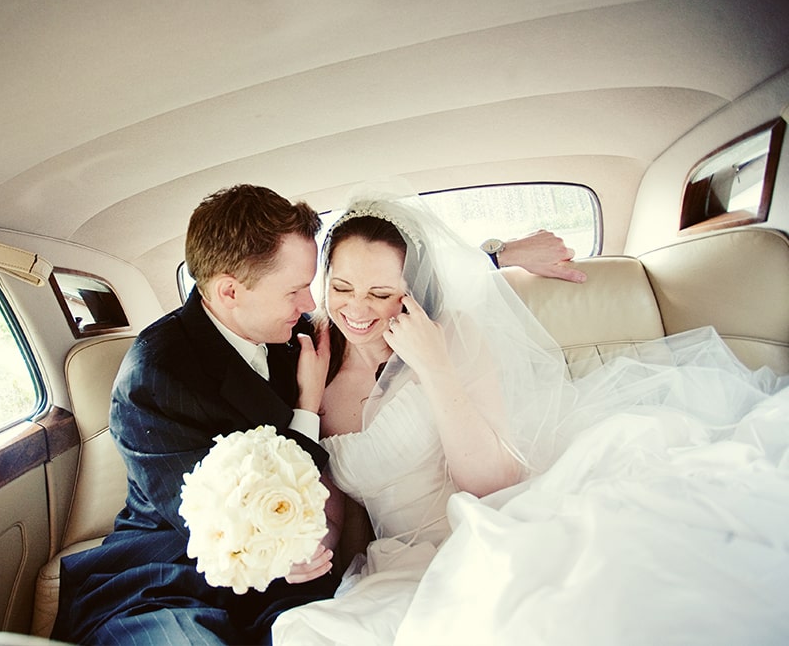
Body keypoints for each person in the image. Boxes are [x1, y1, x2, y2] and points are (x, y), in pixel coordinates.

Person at [51, 183, 584, 645]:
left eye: (313, 282)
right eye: (303, 288)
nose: (314, 302)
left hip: (294, 586)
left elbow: (393, 284)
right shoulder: (157, 375)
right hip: (168, 579)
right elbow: (212, 522)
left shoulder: (296, 332)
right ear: (230, 291)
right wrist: (307, 410)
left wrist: (500, 253)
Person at [271, 186, 789, 645]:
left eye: (381, 293)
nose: (357, 308)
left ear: (411, 291)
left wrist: (436, 370)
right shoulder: (315, 357)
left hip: (488, 523)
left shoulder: (453, 335)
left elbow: (492, 481)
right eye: (341, 287)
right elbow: (337, 501)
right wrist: (310, 543)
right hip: (396, 561)